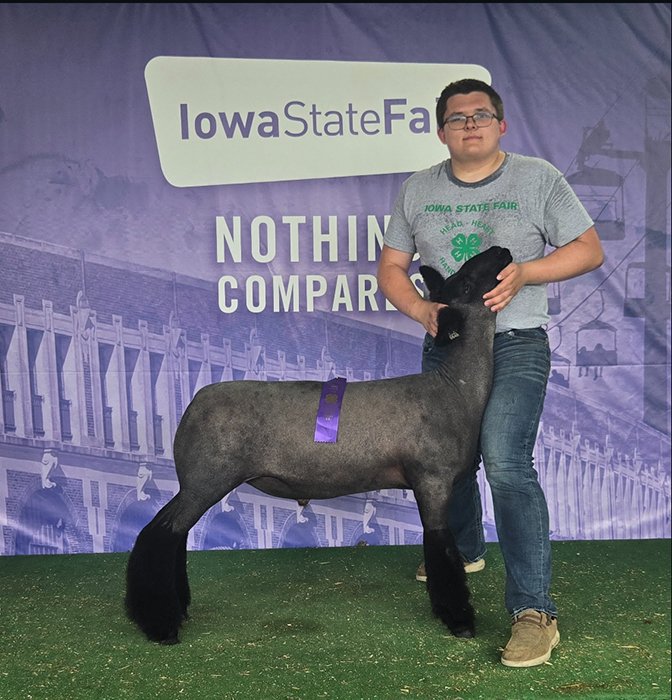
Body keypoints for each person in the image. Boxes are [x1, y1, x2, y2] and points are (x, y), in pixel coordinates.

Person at [377, 78, 604, 668]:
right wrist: (421, 309)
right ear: (441, 132)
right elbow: (392, 267)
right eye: (457, 118)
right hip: (449, 347)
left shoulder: (537, 178)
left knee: (504, 461)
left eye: (481, 115)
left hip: (515, 342)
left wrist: (527, 272)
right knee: (447, 462)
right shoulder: (417, 189)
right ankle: (465, 548)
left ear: (501, 125)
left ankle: (534, 612)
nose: (470, 124)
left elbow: (589, 249)